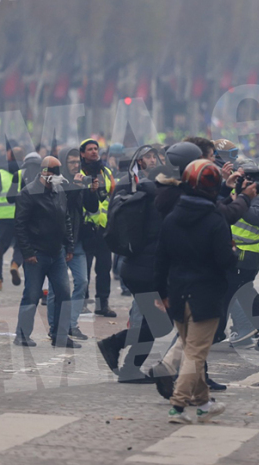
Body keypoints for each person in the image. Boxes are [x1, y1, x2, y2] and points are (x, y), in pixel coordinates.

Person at [155, 159, 233, 424]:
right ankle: (178, 406)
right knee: (195, 354)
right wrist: (234, 255)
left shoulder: (172, 218)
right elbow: (225, 261)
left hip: (177, 293)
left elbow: (161, 259)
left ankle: (203, 403)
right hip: (207, 296)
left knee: (191, 350)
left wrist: (162, 293)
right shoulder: (215, 220)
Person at [97, 148, 170, 383]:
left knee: (156, 323)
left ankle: (125, 362)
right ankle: (116, 348)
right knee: (157, 323)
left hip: (137, 266)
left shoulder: (146, 190)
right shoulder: (155, 195)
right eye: (150, 157)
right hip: (146, 268)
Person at [13, 157, 78, 349]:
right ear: (44, 173)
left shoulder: (58, 191)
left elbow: (66, 219)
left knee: (64, 293)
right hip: (36, 254)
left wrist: (70, 246)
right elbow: (20, 225)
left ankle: (60, 335)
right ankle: (22, 334)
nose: (56, 177)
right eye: (53, 173)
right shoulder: (29, 193)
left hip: (57, 252)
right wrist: (27, 252)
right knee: (32, 295)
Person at [225, 161, 259, 351]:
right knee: (241, 290)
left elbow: (258, 218)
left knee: (235, 290)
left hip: (247, 253)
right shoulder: (244, 195)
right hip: (242, 251)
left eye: (241, 177)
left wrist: (239, 202)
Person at [46, 148, 98, 342]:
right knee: (55, 288)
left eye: (78, 162)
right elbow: (63, 208)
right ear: (63, 163)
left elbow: (91, 207)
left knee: (82, 281)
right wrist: (76, 188)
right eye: (72, 162)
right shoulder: (58, 184)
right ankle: (54, 327)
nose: (76, 165)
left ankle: (71, 324)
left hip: (76, 241)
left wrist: (91, 191)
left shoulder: (80, 180)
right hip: (59, 242)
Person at [79, 139, 117, 318]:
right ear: (82, 154)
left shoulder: (106, 171)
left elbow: (113, 196)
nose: (94, 152)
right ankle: (83, 303)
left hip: (104, 229)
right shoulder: (77, 173)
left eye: (96, 149)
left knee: (104, 269)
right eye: (90, 149)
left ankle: (103, 305)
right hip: (86, 229)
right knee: (83, 270)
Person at [0, 143, 24, 291]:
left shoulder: (1, 172)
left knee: (0, 248)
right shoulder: (25, 173)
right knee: (20, 245)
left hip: (3, 217)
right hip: (21, 216)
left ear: (9, 156)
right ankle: (15, 264)